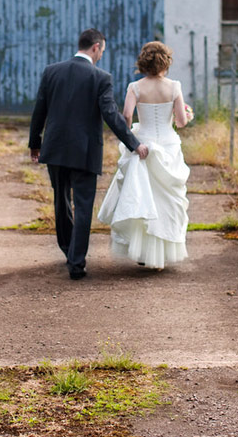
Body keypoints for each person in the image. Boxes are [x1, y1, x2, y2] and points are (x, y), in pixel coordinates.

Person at [29, 28, 148, 280]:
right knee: (83, 207)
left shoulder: (52, 71)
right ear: (95, 47)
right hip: (85, 152)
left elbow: (40, 109)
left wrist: (34, 143)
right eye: (102, 50)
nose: (102, 55)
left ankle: (67, 251)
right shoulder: (101, 77)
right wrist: (134, 144)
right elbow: (111, 115)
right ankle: (77, 262)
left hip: (56, 149)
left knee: (61, 202)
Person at [97, 40, 191, 269]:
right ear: (166, 62)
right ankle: (161, 254)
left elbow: (127, 116)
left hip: (144, 147)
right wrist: (187, 114)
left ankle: (142, 251)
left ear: (143, 63)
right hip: (168, 147)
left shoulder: (135, 87)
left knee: (142, 198)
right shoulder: (175, 87)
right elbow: (180, 122)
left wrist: (131, 133)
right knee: (167, 200)